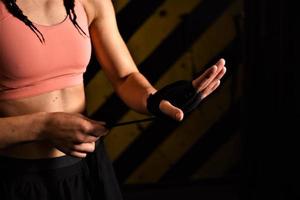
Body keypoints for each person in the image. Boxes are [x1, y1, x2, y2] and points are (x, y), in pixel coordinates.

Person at [0, 0, 226, 199]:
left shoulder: (90, 1)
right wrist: (43, 127)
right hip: (15, 178)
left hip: (87, 169)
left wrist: (155, 100)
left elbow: (125, 77)